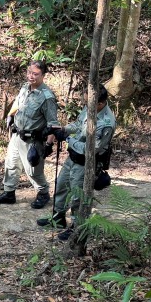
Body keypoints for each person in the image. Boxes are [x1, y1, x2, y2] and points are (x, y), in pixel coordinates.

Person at [38, 86, 116, 241]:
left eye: (88, 102)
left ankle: (76, 226)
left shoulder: (107, 122)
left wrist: (67, 139)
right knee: (61, 185)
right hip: (73, 157)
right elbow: (78, 124)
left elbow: (91, 149)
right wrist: (62, 129)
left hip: (85, 163)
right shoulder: (89, 108)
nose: (85, 104)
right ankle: (58, 218)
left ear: (100, 103)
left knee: (77, 196)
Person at [0, 60, 59, 209]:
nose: (31, 76)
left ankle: (43, 193)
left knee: (33, 171)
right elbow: (18, 102)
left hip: (33, 141)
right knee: (11, 165)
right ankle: (9, 193)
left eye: (35, 74)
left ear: (43, 75)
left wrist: (48, 144)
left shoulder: (47, 97)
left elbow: (53, 124)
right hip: (17, 135)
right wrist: (10, 114)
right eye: (29, 72)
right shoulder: (25, 88)